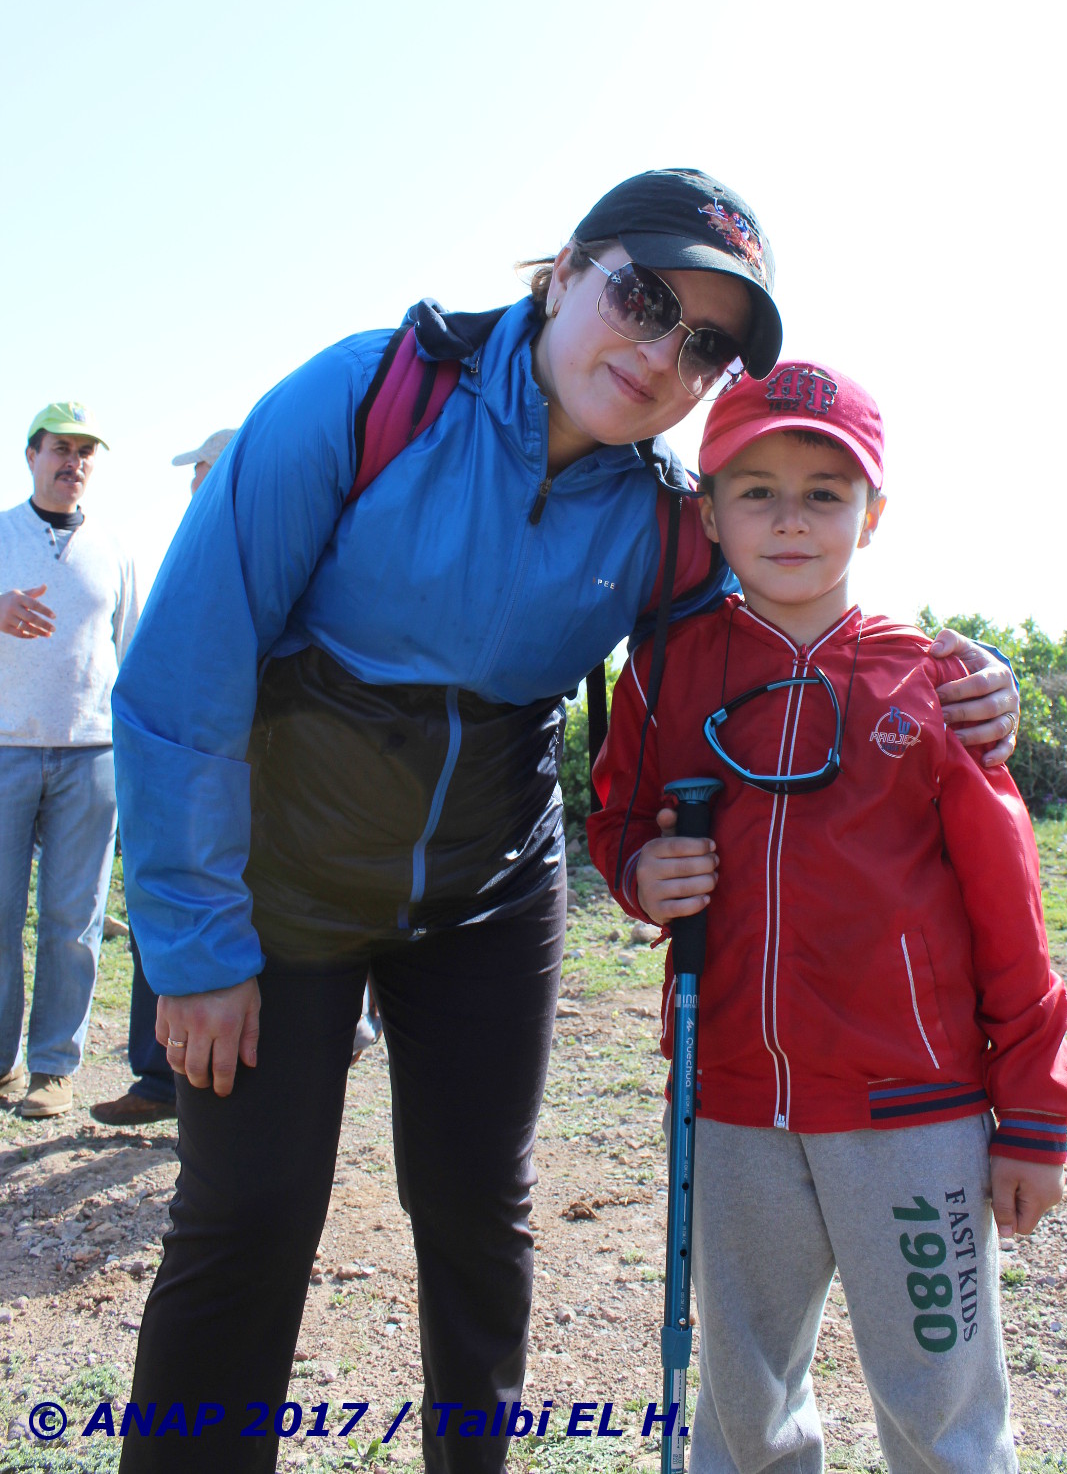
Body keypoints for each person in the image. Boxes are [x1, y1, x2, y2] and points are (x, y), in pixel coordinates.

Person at [111, 169, 1018, 1474]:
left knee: (479, 1216)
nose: (658, 354)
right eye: (640, 299)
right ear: (565, 269)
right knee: (247, 1217)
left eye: (701, 343)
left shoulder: (662, 519)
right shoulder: (365, 396)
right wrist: (197, 949)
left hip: (488, 885)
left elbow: (803, 596)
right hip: (285, 881)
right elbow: (184, 671)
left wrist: (957, 682)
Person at [588, 360, 1067, 1474]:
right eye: (754, 490)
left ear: (873, 511)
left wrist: (1033, 1111)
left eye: (824, 490)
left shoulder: (934, 683)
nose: (790, 518)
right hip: (725, 1104)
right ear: (706, 511)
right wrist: (638, 871)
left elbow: (1011, 916)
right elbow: (616, 816)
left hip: (911, 1111)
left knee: (940, 1404)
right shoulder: (664, 669)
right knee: (743, 1402)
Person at [91, 426, 238, 1128]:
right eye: (193, 475)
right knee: (162, 909)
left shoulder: (254, 546)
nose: (193, 487)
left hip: (230, 779)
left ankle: (211, 1105)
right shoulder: (189, 550)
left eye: (203, 473)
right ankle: (157, 1081)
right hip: (179, 775)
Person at [0, 403, 139, 1119]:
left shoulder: (114, 549)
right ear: (31, 455)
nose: (72, 462)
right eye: (60, 448)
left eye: (85, 451)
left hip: (91, 755)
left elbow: (133, 651)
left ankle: (53, 1069)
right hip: (5, 751)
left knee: (73, 920)